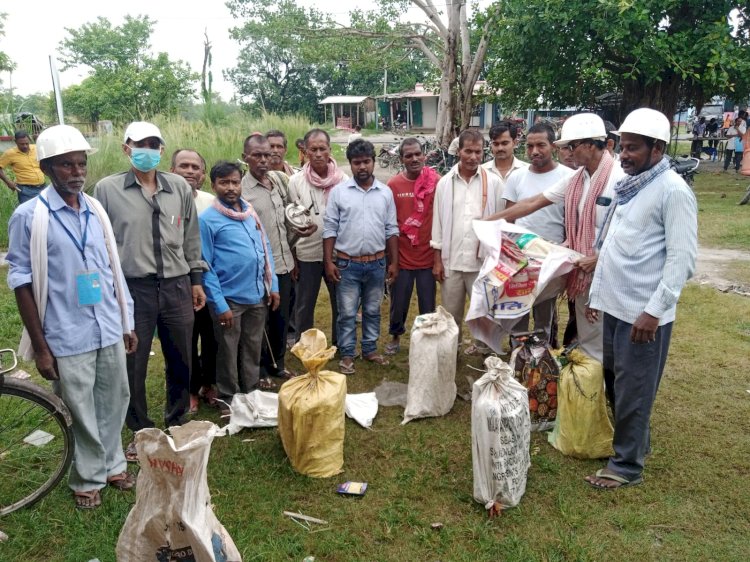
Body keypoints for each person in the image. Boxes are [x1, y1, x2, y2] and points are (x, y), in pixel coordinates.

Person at [7, 125, 137, 509]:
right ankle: (87, 478)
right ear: (46, 167)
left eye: (81, 163)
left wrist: (126, 322)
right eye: (67, 165)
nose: (78, 171)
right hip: (66, 331)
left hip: (108, 324)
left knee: (116, 398)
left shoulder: (95, 209)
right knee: (79, 407)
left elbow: (113, 269)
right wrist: (42, 349)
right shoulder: (30, 216)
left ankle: (114, 465)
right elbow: (22, 283)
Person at [584, 108, 697, 489]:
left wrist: (653, 312)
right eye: (622, 148)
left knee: (635, 387)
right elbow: (614, 245)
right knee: (616, 381)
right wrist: (597, 295)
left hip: (642, 315)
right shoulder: (631, 187)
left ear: (658, 148)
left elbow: (682, 261)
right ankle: (636, 444)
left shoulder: (673, 192)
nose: (624, 156)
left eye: (633, 148)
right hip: (616, 305)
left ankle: (626, 466)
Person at [94, 121, 206, 462]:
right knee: (133, 362)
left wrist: (196, 279)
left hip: (176, 284)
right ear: (127, 148)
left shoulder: (178, 188)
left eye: (154, 144)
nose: (148, 150)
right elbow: (100, 242)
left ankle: (176, 421)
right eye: (141, 144)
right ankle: (139, 430)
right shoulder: (107, 190)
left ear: (161, 149)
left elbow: (190, 237)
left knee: (181, 356)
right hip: (132, 289)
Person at [485, 113, 626, 362]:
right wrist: (489, 221)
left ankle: (606, 387)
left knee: (609, 339)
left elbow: (627, 231)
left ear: (591, 145)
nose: (568, 153)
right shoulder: (577, 178)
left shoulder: (619, 179)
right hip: (583, 272)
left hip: (610, 274)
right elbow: (534, 202)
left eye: (572, 146)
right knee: (588, 337)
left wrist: (599, 257)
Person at [199, 161, 280, 410]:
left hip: (256, 294)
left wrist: (273, 285)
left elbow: (265, 249)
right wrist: (220, 304)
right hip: (229, 300)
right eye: (224, 183)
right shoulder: (207, 220)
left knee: (253, 346)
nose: (231, 188)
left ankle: (251, 390)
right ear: (213, 185)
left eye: (235, 182)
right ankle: (228, 397)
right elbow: (206, 266)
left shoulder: (249, 212)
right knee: (227, 349)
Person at [242, 133, 315, 384]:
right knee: (259, 323)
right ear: (246, 158)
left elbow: (288, 220)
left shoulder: (279, 181)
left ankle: (278, 364)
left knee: (281, 319)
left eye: (268, 154)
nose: (264, 159)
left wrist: (300, 230)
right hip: (260, 269)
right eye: (258, 155)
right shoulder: (241, 191)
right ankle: (260, 370)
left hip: (285, 265)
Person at [323, 139, 399, 375]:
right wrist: (328, 261)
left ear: (374, 162)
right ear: (350, 164)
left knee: (373, 310)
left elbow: (391, 229)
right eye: (357, 163)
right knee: (346, 312)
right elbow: (330, 229)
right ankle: (347, 354)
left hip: (377, 263)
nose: (362, 167)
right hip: (347, 264)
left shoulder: (385, 192)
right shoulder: (339, 193)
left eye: (366, 161)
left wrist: (394, 262)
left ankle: (369, 349)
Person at [431, 129, 505, 355]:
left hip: (481, 264)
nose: (473, 157)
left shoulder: (493, 183)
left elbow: (500, 224)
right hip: (451, 261)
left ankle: (484, 352)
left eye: (478, 152)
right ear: (458, 151)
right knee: (451, 314)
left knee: (484, 313)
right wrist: (437, 261)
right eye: (468, 151)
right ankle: (451, 352)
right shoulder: (445, 183)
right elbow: (438, 223)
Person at [502, 123, 574, 342]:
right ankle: (518, 360)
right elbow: (509, 219)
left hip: (551, 261)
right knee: (517, 316)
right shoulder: (516, 177)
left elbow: (572, 222)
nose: (534, 151)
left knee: (544, 318)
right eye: (530, 146)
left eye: (541, 145)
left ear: (553, 146)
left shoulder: (569, 177)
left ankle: (541, 364)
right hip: (520, 261)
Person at [287, 129, 346, 345]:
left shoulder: (343, 180)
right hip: (306, 253)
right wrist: (293, 256)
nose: (319, 153)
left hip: (338, 253)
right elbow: (292, 220)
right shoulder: (295, 182)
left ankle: (341, 344)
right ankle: (306, 346)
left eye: (323, 149)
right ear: (305, 151)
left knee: (340, 303)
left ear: (330, 150)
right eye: (313, 149)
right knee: (304, 304)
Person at [170, 149, 218, 414]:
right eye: (183, 166)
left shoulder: (211, 202)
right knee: (185, 340)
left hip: (208, 281)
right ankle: (189, 389)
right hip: (177, 283)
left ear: (202, 174)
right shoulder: (165, 199)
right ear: (172, 170)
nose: (190, 171)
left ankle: (209, 383)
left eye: (195, 167)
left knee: (211, 336)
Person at [385, 138, 440, 355]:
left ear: (424, 155)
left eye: (418, 154)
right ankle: (396, 335)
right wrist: (392, 260)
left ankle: (427, 339)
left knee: (428, 303)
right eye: (409, 155)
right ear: (401, 159)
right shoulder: (393, 186)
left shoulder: (437, 181)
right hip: (402, 258)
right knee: (399, 303)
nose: (414, 159)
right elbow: (389, 224)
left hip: (428, 258)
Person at [0, 130, 48, 203]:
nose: (25, 146)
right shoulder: (10, 154)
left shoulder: (36, 148)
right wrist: (8, 182)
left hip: (43, 188)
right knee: (29, 213)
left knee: (46, 211)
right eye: (21, 144)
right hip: (26, 191)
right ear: (15, 142)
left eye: (27, 143)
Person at [482, 120, 528, 187]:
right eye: (496, 144)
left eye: (505, 143)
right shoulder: (482, 171)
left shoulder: (526, 171)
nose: (500, 148)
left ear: (515, 143)